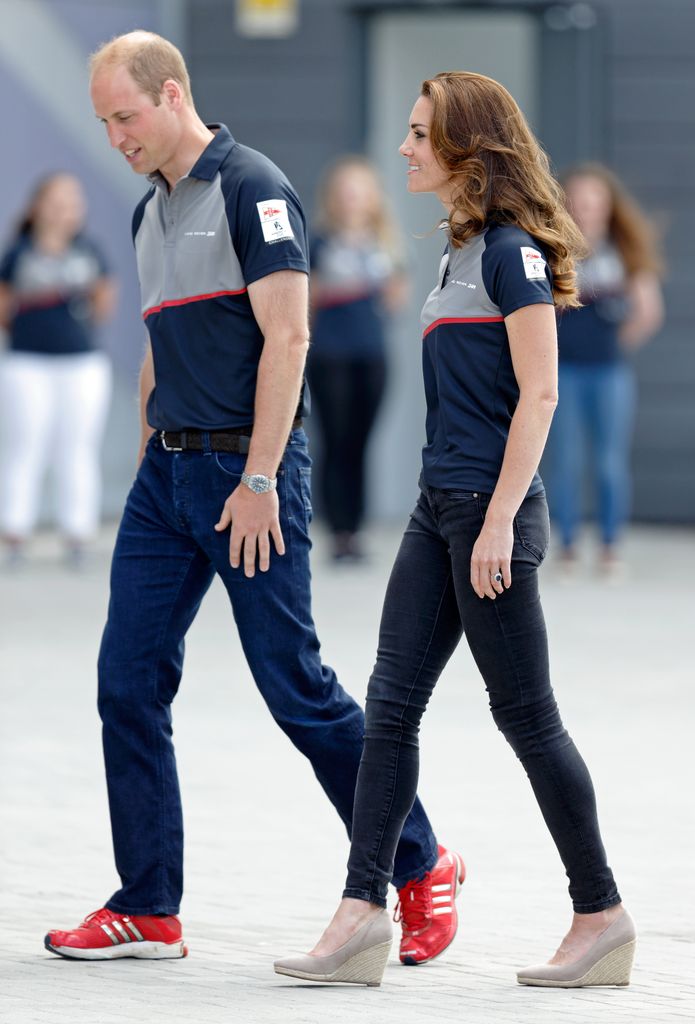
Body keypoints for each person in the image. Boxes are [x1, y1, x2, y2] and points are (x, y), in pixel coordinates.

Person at [43, 31, 463, 965]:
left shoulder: (253, 189)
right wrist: (154, 440)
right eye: (103, 121)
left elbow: (289, 339)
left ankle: (422, 862)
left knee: (296, 690)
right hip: (167, 485)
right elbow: (161, 340)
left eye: (125, 116)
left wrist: (263, 478)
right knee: (127, 684)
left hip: (249, 477)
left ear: (173, 92)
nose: (114, 136)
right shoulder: (149, 213)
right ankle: (148, 906)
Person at [274, 72, 636, 989]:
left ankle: (600, 913)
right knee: (389, 705)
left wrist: (501, 522)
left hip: (486, 514)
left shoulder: (511, 253)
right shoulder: (456, 253)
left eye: (420, 133)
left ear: (467, 148)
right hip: (440, 507)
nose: (404, 148)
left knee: (525, 715)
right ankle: (362, 912)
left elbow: (542, 393)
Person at [548, 163, 664, 576]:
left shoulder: (624, 252)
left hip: (609, 373)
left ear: (609, 207)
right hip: (562, 372)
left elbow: (648, 311)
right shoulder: (554, 250)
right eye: (578, 202)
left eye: (595, 202)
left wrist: (616, 345)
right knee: (566, 460)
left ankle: (610, 546)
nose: (586, 210)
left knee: (610, 461)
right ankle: (566, 545)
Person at [0, 174, 115, 565]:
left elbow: (103, 302)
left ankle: (77, 534)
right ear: (37, 206)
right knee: (25, 446)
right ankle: (15, 532)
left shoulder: (90, 251)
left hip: (81, 363)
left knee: (77, 448)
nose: (64, 208)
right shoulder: (18, 253)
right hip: (28, 362)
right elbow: (4, 307)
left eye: (72, 200)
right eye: (56, 200)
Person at [308, 157, 407, 561]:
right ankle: (338, 531)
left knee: (360, 444)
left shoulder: (385, 244)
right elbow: (305, 299)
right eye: (345, 190)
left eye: (359, 190)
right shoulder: (318, 242)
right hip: (329, 354)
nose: (351, 198)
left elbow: (397, 299)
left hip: (372, 354)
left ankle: (356, 527)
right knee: (334, 441)